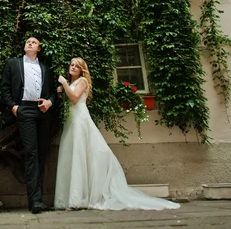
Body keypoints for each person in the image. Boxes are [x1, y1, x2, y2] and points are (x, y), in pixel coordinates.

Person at [54, 57, 180, 211]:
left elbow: (74, 98)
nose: (73, 67)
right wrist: (61, 92)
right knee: (72, 155)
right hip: (71, 121)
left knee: (80, 155)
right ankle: (72, 196)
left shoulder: (82, 81)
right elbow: (68, 99)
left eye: (77, 66)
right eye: (71, 65)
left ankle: (79, 198)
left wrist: (64, 84)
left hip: (80, 121)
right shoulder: (73, 83)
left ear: (81, 70)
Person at [1, 36, 58, 214]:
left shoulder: (45, 68)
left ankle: (38, 198)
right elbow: (5, 88)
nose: (30, 43)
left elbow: (52, 93)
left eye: (34, 42)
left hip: (43, 112)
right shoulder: (14, 63)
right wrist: (14, 107)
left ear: (39, 49)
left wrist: (49, 102)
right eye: (27, 42)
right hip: (24, 109)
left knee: (41, 154)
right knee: (31, 153)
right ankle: (35, 201)